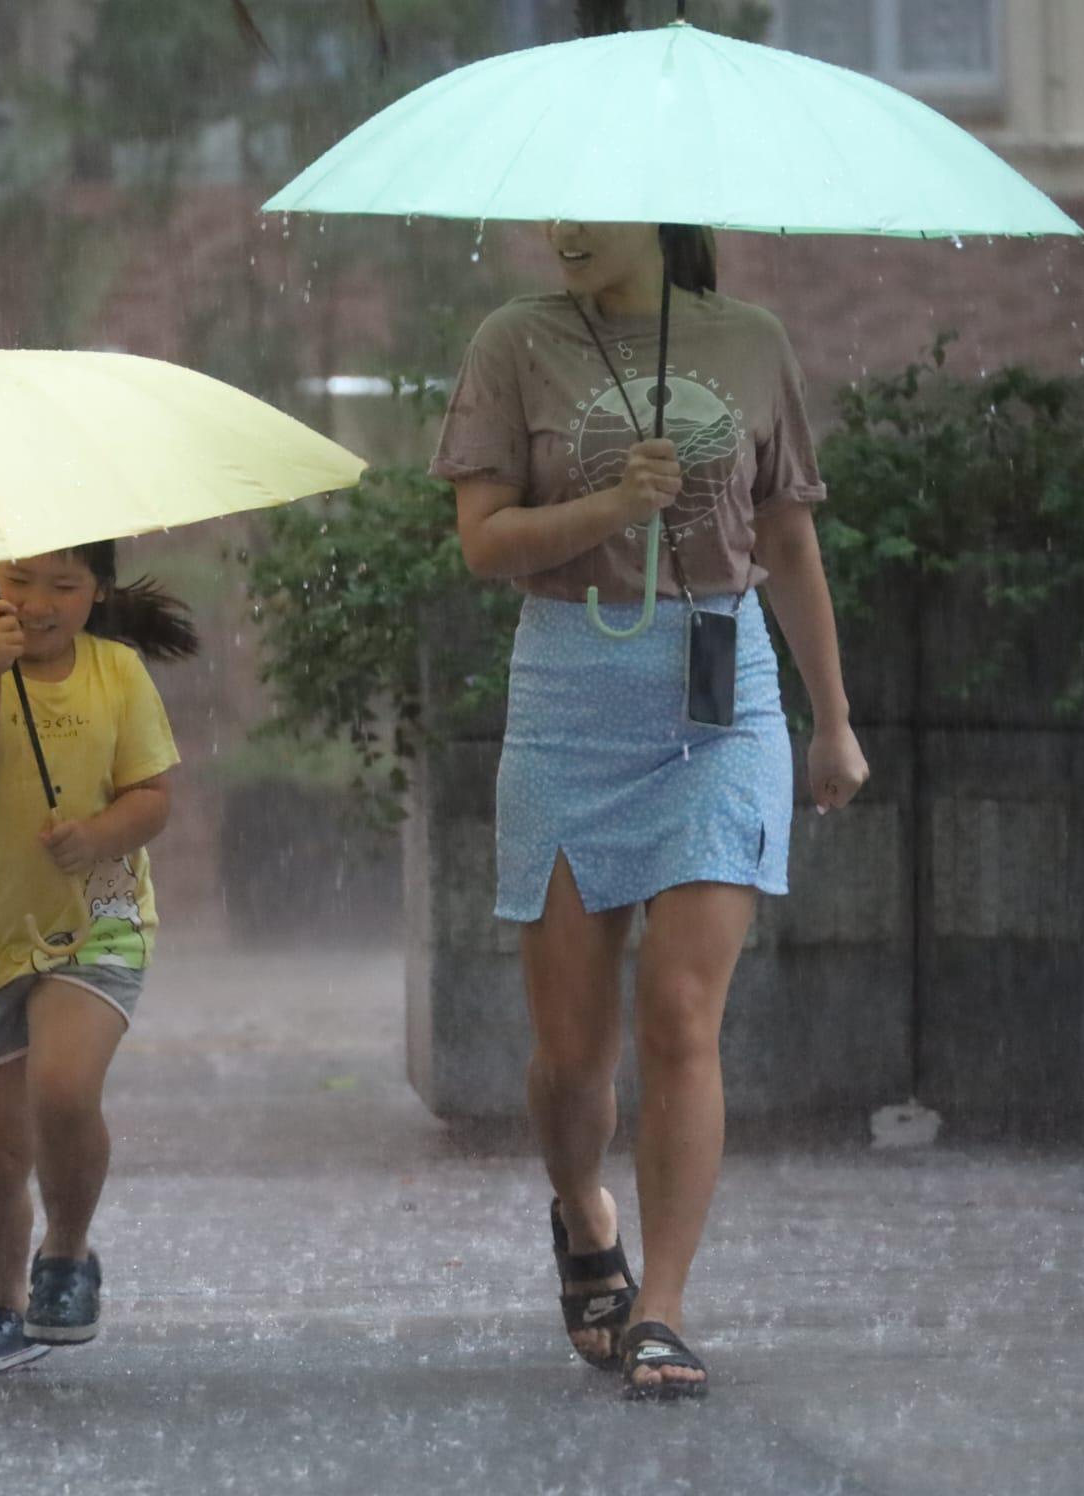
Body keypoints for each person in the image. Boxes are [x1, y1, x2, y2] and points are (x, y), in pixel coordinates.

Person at [433, 220, 871, 1400]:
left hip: (719, 701)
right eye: (556, 208)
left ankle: (661, 1307)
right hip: (569, 701)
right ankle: (583, 1206)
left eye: (594, 205)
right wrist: (609, 505)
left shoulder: (750, 340)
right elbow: (481, 541)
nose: (567, 229)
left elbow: (784, 537)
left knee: (679, 1010)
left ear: (659, 209)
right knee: (572, 1056)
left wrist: (830, 718)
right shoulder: (514, 341)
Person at [0, 543, 194, 1377]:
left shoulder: (117, 673)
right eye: (20, 580)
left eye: (64, 585)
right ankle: (1, 1308)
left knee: (63, 1088)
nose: (39, 602)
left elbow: (152, 798)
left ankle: (67, 1251)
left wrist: (98, 836)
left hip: (98, 916)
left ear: (96, 591)